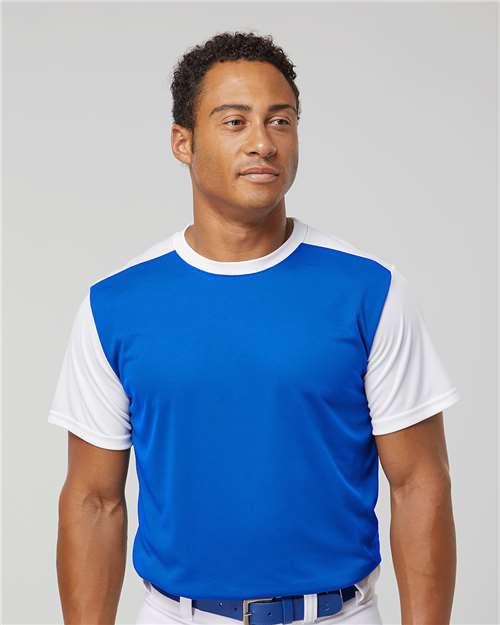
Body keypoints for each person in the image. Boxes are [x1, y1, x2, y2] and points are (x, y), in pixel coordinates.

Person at [48, 31, 461, 625]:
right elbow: (94, 501)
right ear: (183, 142)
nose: (263, 143)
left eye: (280, 121)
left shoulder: (368, 291)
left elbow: (420, 483)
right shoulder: (116, 305)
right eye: (235, 122)